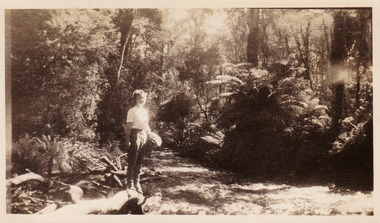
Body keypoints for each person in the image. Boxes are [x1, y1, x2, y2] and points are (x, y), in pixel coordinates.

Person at [124, 90, 151, 193]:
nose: (141, 100)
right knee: (132, 160)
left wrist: (150, 134)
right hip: (134, 135)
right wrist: (127, 140)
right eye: (139, 98)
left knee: (140, 160)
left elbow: (146, 125)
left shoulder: (144, 111)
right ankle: (130, 184)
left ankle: (137, 182)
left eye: (143, 98)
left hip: (143, 134)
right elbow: (128, 127)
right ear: (135, 99)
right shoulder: (132, 111)